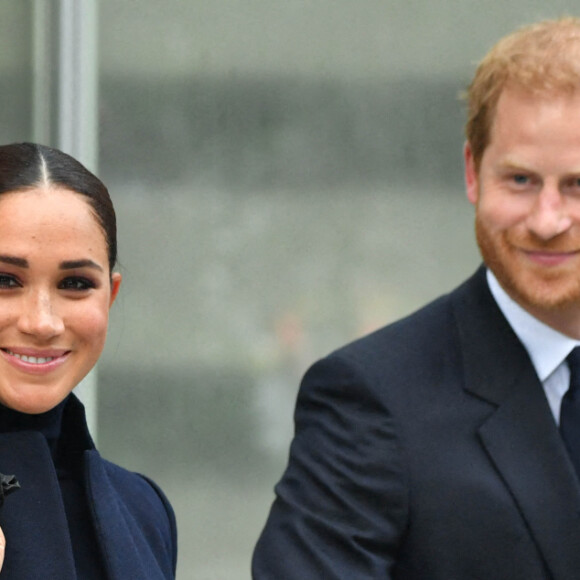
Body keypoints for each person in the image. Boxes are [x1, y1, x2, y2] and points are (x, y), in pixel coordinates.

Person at [252, 17, 580, 580]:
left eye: (578, 184)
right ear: (473, 173)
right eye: (521, 181)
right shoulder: (370, 398)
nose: (548, 220)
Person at [0, 142, 177, 579]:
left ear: (111, 295)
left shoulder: (141, 509)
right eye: (5, 280)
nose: (42, 322)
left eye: (75, 283)